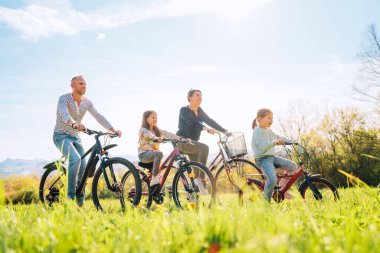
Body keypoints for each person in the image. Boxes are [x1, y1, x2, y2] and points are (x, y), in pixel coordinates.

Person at [53, 75, 122, 206]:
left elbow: (98, 116)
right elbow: (64, 113)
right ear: (72, 86)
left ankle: (80, 201)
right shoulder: (63, 99)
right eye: (81, 84)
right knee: (76, 160)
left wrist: (113, 129)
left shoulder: (87, 102)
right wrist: (73, 124)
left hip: (76, 137)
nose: (84, 86)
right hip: (61, 135)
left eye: (85, 84)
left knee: (84, 166)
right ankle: (70, 197)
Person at [176, 89, 230, 192]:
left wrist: (224, 130)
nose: (200, 97)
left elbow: (210, 121)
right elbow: (192, 122)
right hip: (182, 142)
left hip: (193, 144)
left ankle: (192, 188)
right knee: (204, 148)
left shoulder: (199, 111)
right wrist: (205, 128)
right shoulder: (184, 110)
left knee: (195, 172)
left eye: (201, 95)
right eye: (197, 95)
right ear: (190, 98)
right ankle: (201, 179)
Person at [251, 108, 296, 202]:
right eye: (269, 118)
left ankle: (282, 190)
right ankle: (265, 203)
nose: (271, 120)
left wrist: (290, 141)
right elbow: (263, 146)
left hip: (272, 158)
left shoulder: (268, 130)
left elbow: (278, 137)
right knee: (272, 179)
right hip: (262, 160)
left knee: (292, 166)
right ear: (259, 120)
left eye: (272, 118)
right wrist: (275, 142)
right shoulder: (257, 132)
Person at [138, 110, 190, 188]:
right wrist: (157, 138)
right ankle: (154, 177)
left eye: (156, 118)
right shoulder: (143, 130)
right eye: (153, 117)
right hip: (144, 155)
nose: (155, 119)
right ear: (146, 119)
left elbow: (169, 134)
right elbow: (150, 135)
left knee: (160, 164)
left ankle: (155, 186)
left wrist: (182, 139)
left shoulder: (157, 130)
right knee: (159, 153)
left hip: (153, 155)